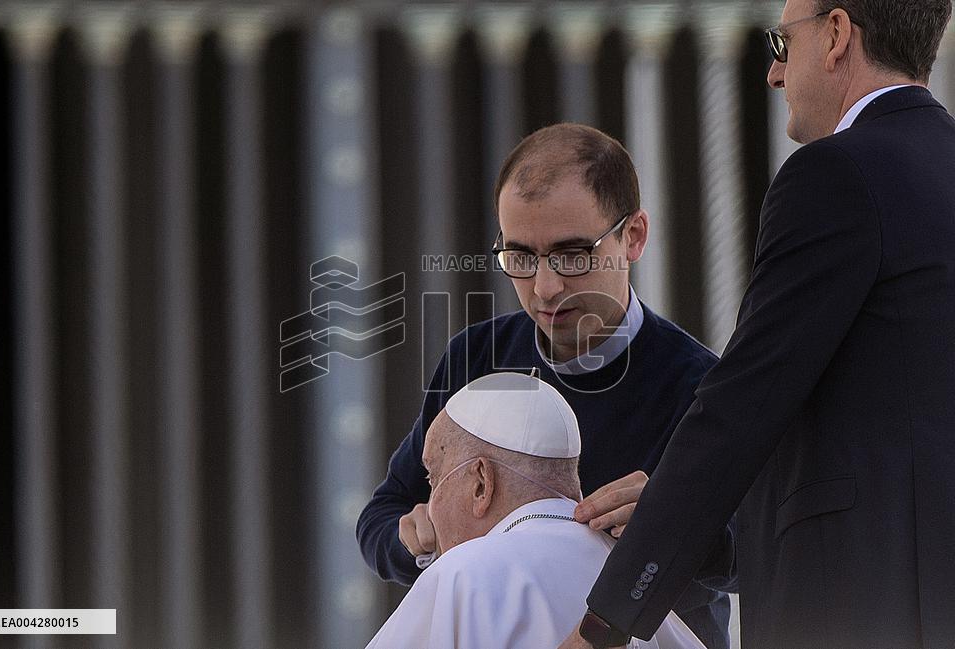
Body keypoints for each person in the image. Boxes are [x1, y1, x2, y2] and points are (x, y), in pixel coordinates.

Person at [558, 2, 955, 648]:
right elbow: (869, 456)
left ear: (835, 35)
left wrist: (605, 624)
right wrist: (705, 535)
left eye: (781, 42)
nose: (773, 73)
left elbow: (741, 404)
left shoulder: (837, 173)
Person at [357, 123, 736, 649]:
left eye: (573, 254)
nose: (545, 286)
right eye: (520, 257)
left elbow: (766, 547)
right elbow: (381, 516)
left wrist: (680, 525)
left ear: (635, 236)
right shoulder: (475, 357)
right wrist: (417, 539)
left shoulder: (701, 385)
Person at [365, 372, 706, 649]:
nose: (429, 508)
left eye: (433, 477)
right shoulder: (631, 571)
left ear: (481, 483)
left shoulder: (459, 575)